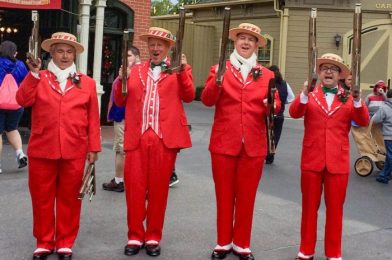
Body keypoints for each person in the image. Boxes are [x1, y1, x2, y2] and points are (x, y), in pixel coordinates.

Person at [16, 32, 101, 260]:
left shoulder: (88, 83)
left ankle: (65, 242)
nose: (65, 55)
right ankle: (44, 241)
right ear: (51, 52)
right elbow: (22, 100)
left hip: (75, 149)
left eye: (69, 51)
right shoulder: (38, 77)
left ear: (75, 54)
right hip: (42, 148)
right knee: (41, 198)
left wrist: (93, 148)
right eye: (60, 50)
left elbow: (93, 118)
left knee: (71, 198)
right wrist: (32, 74)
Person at [201, 23, 281, 260]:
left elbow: (275, 104)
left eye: (251, 39)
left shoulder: (267, 74)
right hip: (224, 142)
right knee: (224, 195)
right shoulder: (220, 69)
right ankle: (223, 242)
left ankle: (242, 244)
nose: (246, 43)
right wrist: (216, 81)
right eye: (242, 38)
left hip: (254, 144)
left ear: (257, 44)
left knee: (247, 196)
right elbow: (206, 100)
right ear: (234, 42)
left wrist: (271, 105)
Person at [114, 27, 195, 257]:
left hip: (164, 138)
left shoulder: (176, 69)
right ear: (147, 47)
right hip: (137, 137)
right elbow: (120, 100)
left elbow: (189, 95)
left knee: (159, 192)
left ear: (168, 48)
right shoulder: (136, 70)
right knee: (135, 190)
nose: (155, 48)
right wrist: (122, 78)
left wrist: (184, 70)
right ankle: (134, 236)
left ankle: (152, 237)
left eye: (160, 44)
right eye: (152, 44)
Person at [289, 53, 369, 260]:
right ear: (319, 72)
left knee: (335, 210)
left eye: (333, 69)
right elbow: (295, 112)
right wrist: (304, 94)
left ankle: (333, 253)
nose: (328, 72)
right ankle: (306, 250)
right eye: (325, 68)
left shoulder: (350, 97)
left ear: (340, 75)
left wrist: (359, 101)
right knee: (309, 208)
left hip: (338, 162)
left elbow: (362, 121)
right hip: (311, 159)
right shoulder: (310, 94)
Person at [102, 46, 140, 192]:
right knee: (122, 149)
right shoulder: (124, 71)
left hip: (126, 116)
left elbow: (125, 95)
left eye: (129, 56)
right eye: (124, 56)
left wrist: (123, 78)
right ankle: (123, 179)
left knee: (122, 149)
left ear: (137, 57)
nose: (126, 59)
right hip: (122, 115)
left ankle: (120, 181)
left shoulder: (138, 73)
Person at [0, 41, 28, 173]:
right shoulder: (21, 65)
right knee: (12, 128)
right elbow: (26, 83)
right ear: (15, 52)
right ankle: (20, 154)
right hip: (16, 103)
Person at [265, 65, 295, 164]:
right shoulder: (284, 84)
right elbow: (291, 98)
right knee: (275, 136)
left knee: (264, 135)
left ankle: (263, 153)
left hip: (267, 113)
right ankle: (270, 157)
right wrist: (282, 102)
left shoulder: (266, 83)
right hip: (279, 115)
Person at [373, 89, 392, 184]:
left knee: (390, 156)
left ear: (387, 97)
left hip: (389, 136)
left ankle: (385, 175)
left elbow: (376, 119)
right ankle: (384, 174)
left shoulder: (384, 107)